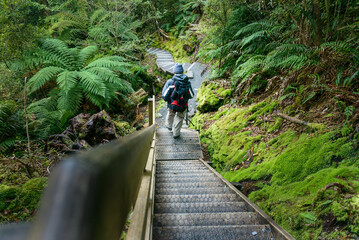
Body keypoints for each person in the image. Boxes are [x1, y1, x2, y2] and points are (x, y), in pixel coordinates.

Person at [162, 63, 194, 138]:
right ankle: (176, 134)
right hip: (183, 105)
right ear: (182, 72)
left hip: (172, 104)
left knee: (171, 113)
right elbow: (192, 95)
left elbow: (164, 95)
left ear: (174, 72)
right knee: (179, 117)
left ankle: (169, 126)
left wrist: (167, 100)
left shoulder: (170, 82)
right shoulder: (187, 82)